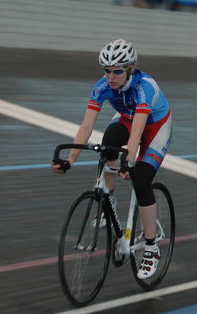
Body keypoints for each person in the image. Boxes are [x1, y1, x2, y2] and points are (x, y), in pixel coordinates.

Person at [51, 38, 172, 279]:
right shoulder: (101, 86)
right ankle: (110, 202)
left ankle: (151, 247)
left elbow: (137, 133)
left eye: (117, 71)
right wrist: (71, 159)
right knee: (107, 147)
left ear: (130, 69)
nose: (111, 76)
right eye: (106, 70)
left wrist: (130, 161)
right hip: (128, 118)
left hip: (155, 125)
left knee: (141, 178)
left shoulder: (144, 87)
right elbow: (86, 126)